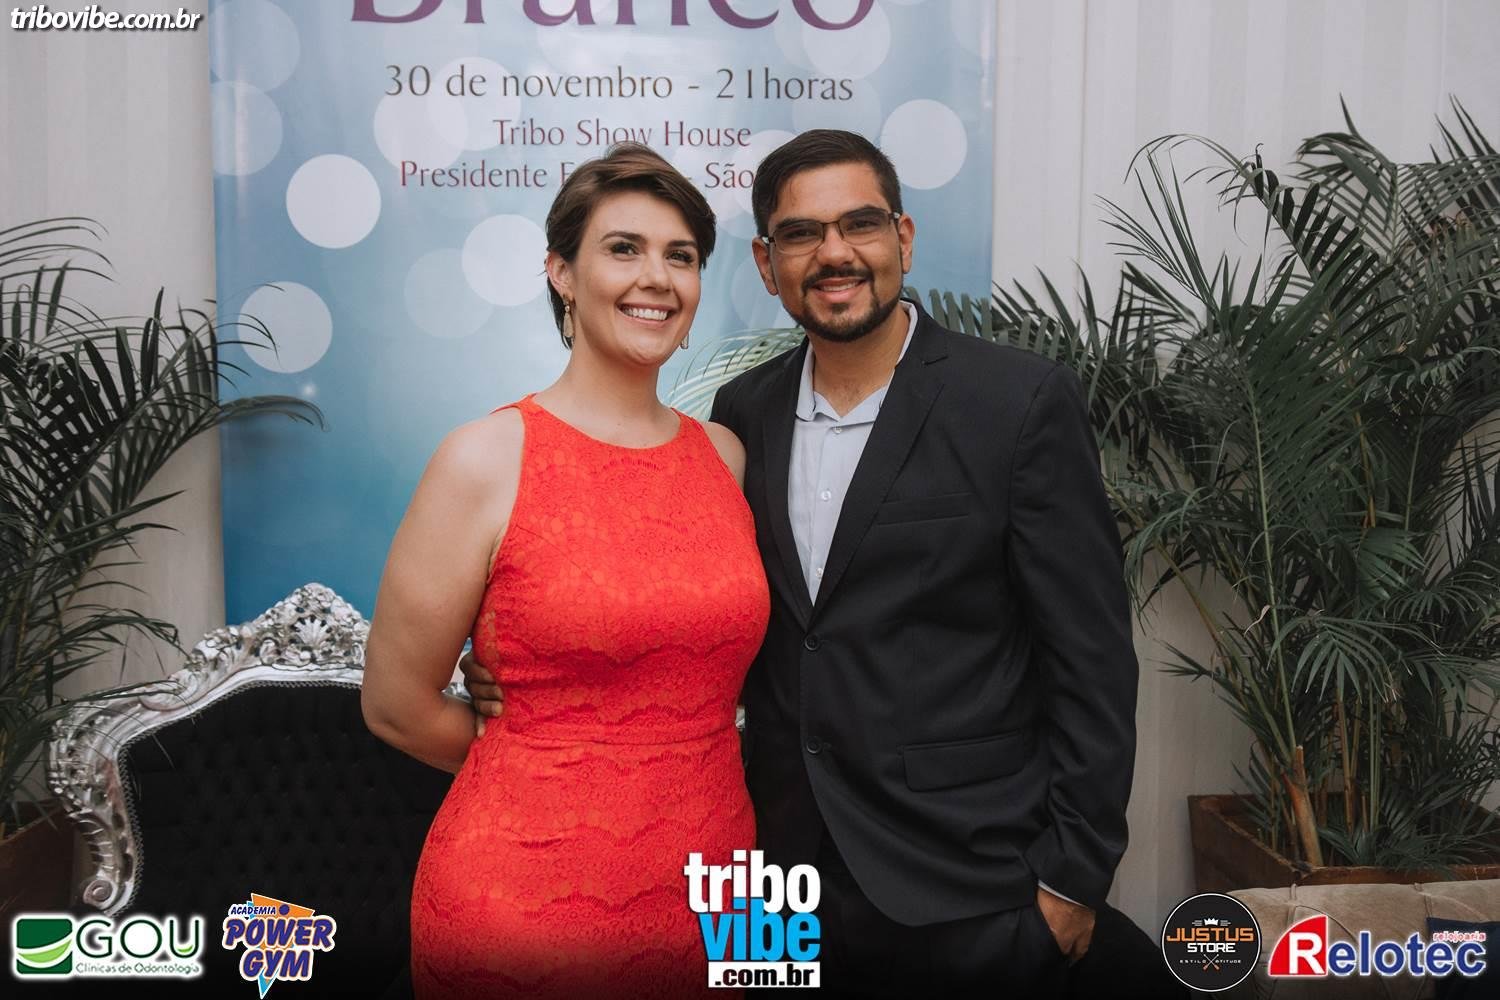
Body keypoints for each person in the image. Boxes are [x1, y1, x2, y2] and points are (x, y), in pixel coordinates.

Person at [466, 130, 1178, 998]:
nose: (834, 253)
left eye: (860, 225)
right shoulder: (741, 416)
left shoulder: (1017, 402)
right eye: (801, 234)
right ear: (768, 265)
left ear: (903, 239)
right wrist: (522, 665)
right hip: (770, 875)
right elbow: (695, 607)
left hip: (965, 881)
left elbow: (1091, 661)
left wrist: (1071, 880)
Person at [362, 142, 770, 999]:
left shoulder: (725, 457)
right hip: (525, 904)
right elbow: (395, 707)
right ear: (561, 273)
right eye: (623, 249)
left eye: (681, 256)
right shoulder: (484, 458)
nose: (656, 278)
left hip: (726, 891)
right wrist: (544, 754)